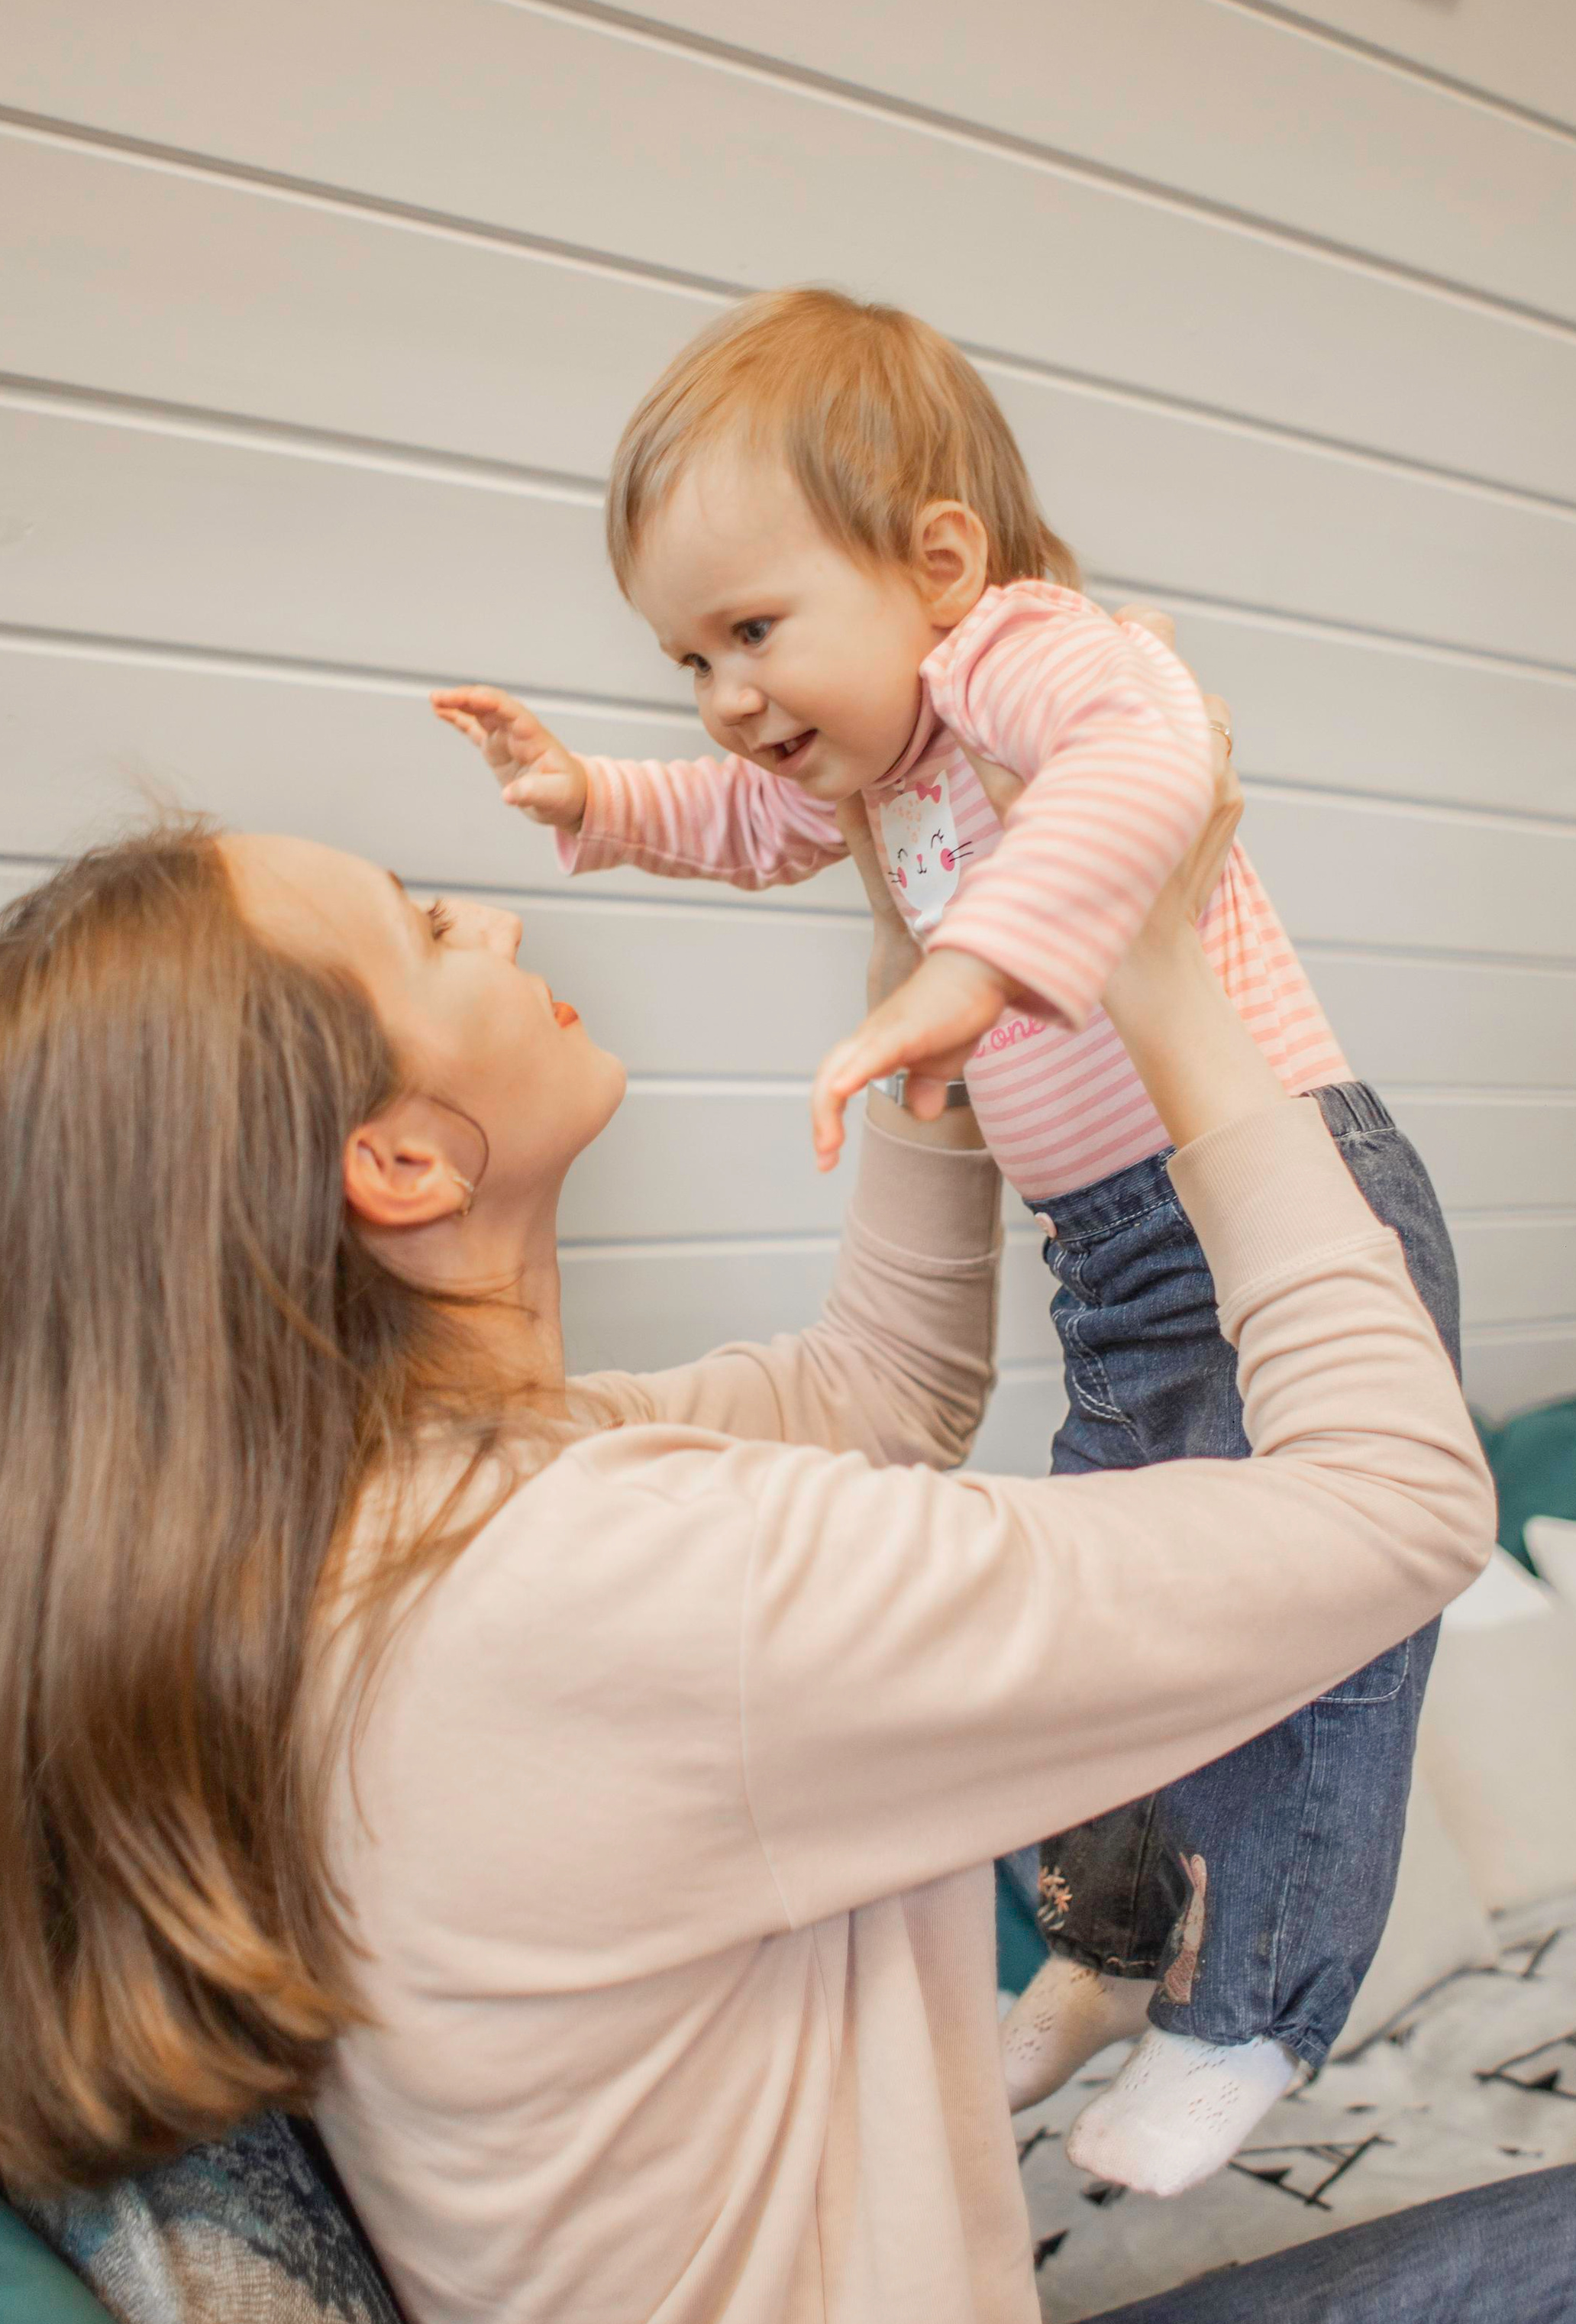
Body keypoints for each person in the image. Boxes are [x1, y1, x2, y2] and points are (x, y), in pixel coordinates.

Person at [0, 768, 1576, 2324]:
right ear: (403, 1164)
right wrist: (1171, 988)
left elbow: (879, 1391)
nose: (497, 920)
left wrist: (921, 959)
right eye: (429, 929)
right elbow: (1398, 1505)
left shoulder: (387, 1523)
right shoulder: (595, 1587)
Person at [431, 285, 1461, 2194]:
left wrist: (969, 966)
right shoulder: (873, 760)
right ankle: (1106, 1951)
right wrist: (594, 798)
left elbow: (1151, 768)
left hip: (1275, 1200)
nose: (726, 698)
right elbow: (738, 817)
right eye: (687, 658)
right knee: (1119, 1641)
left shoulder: (1028, 654)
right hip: (1118, 1264)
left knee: (1310, 1649)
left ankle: (1249, 2011)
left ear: (938, 564)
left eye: (753, 632)